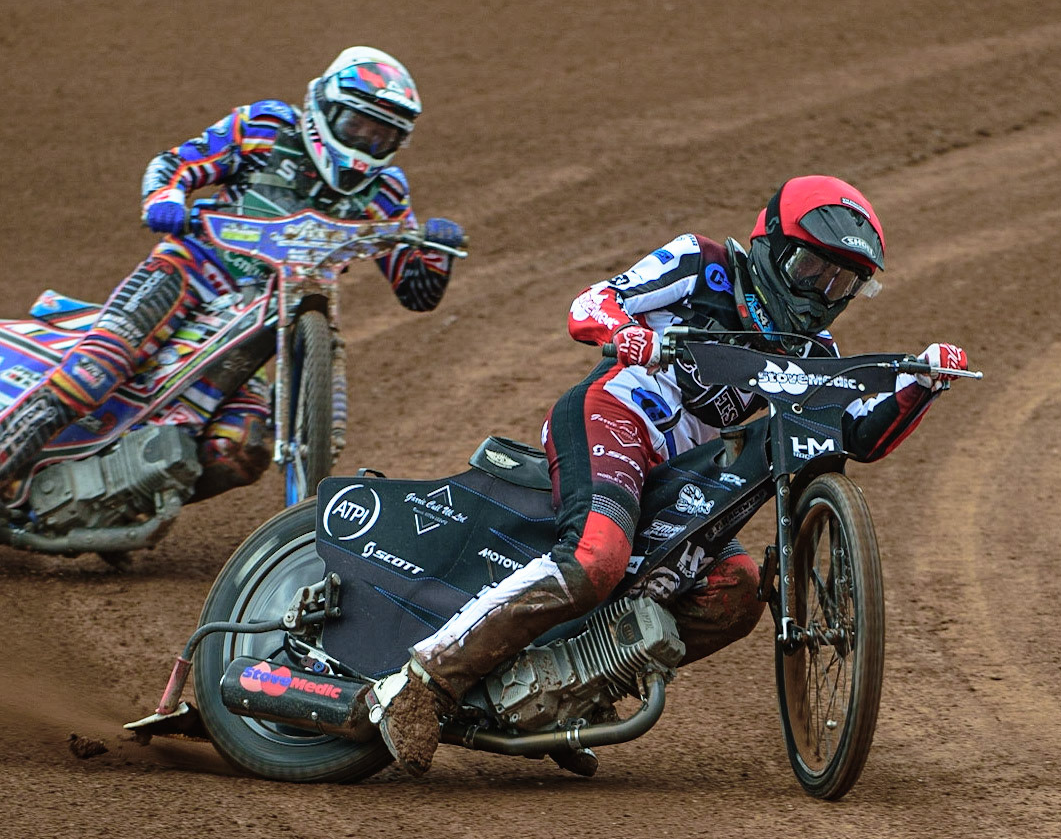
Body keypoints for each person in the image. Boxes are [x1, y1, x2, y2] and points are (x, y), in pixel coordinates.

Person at [370, 174, 968, 775]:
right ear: (771, 244)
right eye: (813, 269)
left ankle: (569, 697)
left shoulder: (812, 352)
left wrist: (921, 384)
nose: (822, 293)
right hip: (614, 415)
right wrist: (624, 333)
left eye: (843, 283)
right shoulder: (700, 262)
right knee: (595, 559)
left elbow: (860, 435)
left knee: (735, 590)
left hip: (684, 472)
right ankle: (419, 684)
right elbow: (588, 306)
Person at [0, 47, 465, 546]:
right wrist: (166, 197)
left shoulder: (385, 192)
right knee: (96, 370)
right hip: (189, 274)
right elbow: (175, 162)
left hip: (268, 320)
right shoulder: (267, 127)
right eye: (357, 125)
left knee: (241, 446)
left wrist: (435, 248)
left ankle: (118, 508)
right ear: (325, 107)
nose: (366, 143)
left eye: (381, 136)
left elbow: (416, 292)